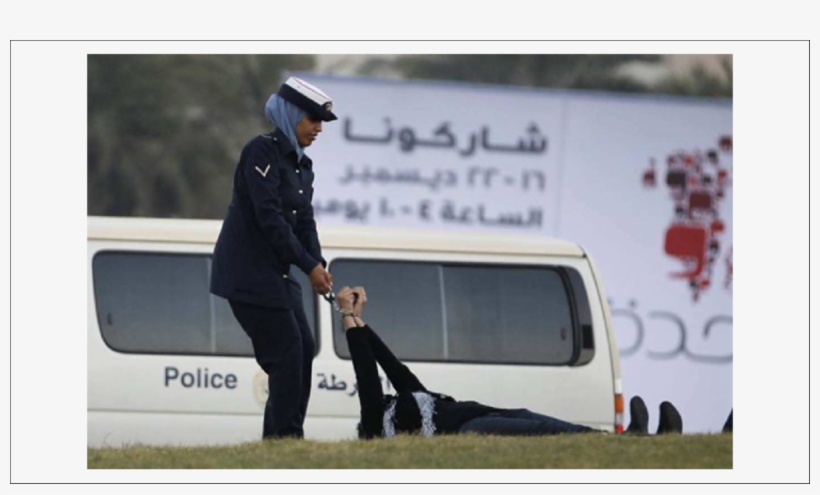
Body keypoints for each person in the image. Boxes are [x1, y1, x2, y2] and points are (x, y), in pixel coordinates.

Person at [334, 286, 681, 438]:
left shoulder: (410, 401)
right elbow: (365, 371)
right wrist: (346, 315)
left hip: (480, 414)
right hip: (469, 431)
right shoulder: (381, 424)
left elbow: (391, 366)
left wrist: (358, 317)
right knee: (547, 433)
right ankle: (629, 440)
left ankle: (635, 438)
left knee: (533, 419)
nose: (382, 398)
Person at [210, 77, 336, 439]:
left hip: (276, 276)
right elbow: (271, 219)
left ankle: (287, 437)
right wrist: (307, 266)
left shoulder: (303, 166)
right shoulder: (260, 152)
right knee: (286, 352)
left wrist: (318, 263)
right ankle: (285, 441)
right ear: (291, 114)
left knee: (303, 347)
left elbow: (304, 221)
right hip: (247, 276)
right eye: (312, 120)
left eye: (321, 123)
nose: (317, 129)